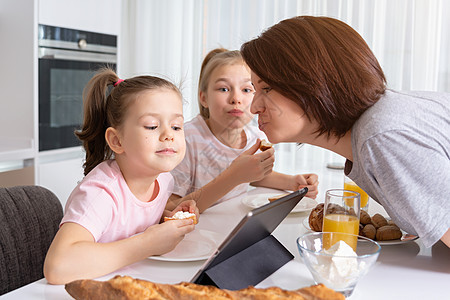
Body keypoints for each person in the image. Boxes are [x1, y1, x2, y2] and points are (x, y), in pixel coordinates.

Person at [240, 16, 450, 248]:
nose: (254, 107)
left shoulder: (382, 136)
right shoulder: (375, 129)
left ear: (313, 80)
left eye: (266, 88)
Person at [44, 68, 199, 284]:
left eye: (176, 126)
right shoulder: (100, 194)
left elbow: (130, 218)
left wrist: (169, 217)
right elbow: (57, 267)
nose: (168, 135)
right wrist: (148, 243)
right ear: (117, 141)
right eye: (152, 126)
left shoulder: (163, 181)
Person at [168, 48, 319, 213]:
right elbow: (169, 208)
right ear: (203, 98)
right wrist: (233, 177)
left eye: (246, 90)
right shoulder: (186, 139)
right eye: (224, 89)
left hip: (233, 222)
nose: (236, 99)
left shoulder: (257, 136)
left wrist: (292, 182)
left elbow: (253, 176)